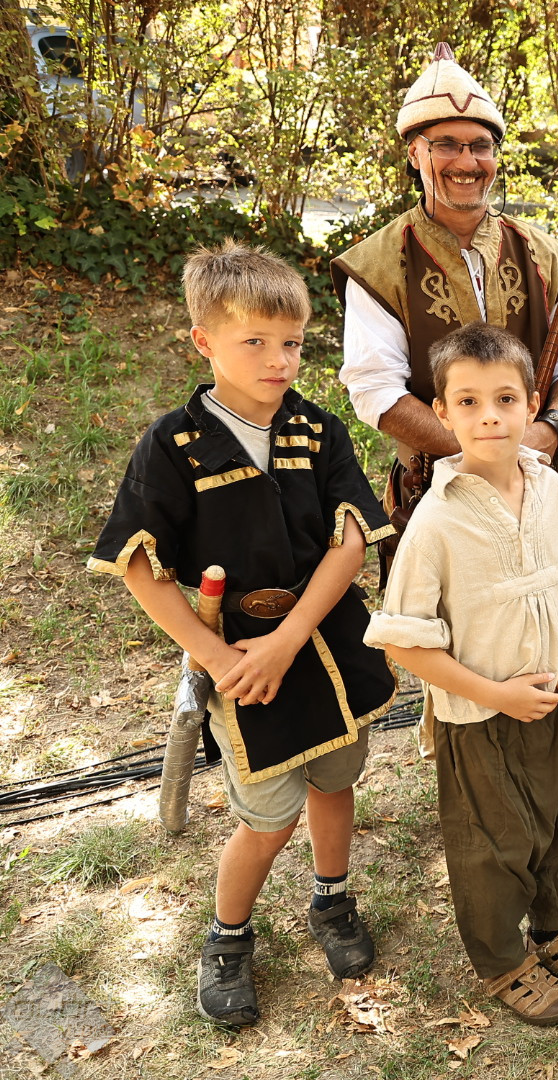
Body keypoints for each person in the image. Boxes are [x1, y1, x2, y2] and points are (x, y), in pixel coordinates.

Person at [87, 241, 397, 1027]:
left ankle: (332, 899)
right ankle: (228, 938)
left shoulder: (317, 431)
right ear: (205, 341)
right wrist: (217, 656)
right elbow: (141, 565)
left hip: (324, 645)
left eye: (291, 342)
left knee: (336, 781)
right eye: (254, 341)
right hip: (238, 665)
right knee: (267, 817)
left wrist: (290, 638)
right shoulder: (174, 445)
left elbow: (351, 541)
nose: (278, 359)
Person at [363, 322, 558, 1025]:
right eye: (468, 402)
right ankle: (502, 961)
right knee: (493, 844)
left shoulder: (551, 488)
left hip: (555, 701)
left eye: (505, 399)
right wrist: (495, 693)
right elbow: (404, 643)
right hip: (479, 717)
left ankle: (550, 933)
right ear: (441, 412)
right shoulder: (435, 521)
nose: (490, 417)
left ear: (533, 404)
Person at [334, 43, 558, 561]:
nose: (467, 162)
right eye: (446, 144)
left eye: (481, 146)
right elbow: (376, 390)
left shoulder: (547, 256)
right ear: (415, 154)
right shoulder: (378, 264)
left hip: (537, 493)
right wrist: (484, 453)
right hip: (433, 500)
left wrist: (549, 429)